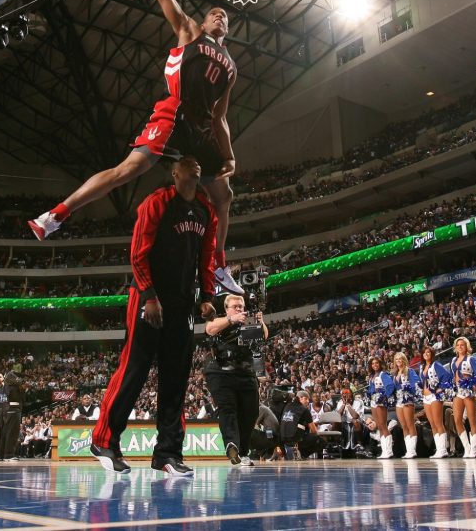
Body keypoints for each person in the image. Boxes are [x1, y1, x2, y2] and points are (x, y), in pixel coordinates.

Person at [29, 0, 243, 296]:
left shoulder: (232, 68)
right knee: (126, 171)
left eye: (226, 17)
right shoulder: (190, 32)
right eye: (215, 13)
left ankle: (218, 266)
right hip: (173, 112)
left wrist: (229, 153)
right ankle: (54, 216)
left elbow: (220, 117)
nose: (220, 17)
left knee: (224, 196)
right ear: (205, 21)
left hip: (200, 129)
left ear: (228, 30)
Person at [90, 155, 218, 477]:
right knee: (135, 369)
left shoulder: (206, 208)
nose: (195, 165)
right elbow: (137, 253)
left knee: (176, 379)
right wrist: (149, 296)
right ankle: (104, 440)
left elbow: (207, 257)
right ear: (175, 172)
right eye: (187, 163)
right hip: (149, 299)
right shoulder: (157, 202)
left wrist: (206, 295)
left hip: (182, 303)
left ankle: (168, 453)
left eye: (196, 162)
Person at [204, 293, 268, 467]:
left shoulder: (249, 320)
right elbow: (209, 329)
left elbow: (264, 337)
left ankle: (242, 452)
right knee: (228, 408)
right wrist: (232, 319)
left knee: (251, 411)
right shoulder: (219, 320)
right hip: (220, 372)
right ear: (226, 309)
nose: (240, 309)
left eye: (241, 306)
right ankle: (231, 445)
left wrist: (260, 321)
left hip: (245, 372)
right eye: (235, 306)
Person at [450, 336, 476, 459]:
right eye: (458, 345)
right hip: (457, 392)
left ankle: (473, 449)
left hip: (468, 392)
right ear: (455, 347)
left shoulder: (471, 359)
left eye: (462, 345)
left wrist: (473, 383)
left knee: (472, 420)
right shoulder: (453, 360)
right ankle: (466, 448)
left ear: (467, 346)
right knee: (457, 421)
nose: (460, 347)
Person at [420, 346, 452, 459]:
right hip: (425, 397)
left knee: (438, 423)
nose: (426, 354)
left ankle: (443, 450)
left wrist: (441, 388)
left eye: (428, 352)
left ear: (432, 354)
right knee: (432, 423)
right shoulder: (422, 366)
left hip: (435, 396)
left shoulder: (436, 365)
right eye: (424, 352)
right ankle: (439, 450)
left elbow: (447, 376)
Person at [392, 352, 421, 459]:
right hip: (399, 401)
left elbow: (416, 383)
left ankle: (412, 451)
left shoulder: (410, 371)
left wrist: (410, 389)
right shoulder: (395, 373)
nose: (398, 361)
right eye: (396, 359)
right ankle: (408, 450)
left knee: (410, 425)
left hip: (407, 399)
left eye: (400, 359)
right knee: (403, 426)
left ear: (404, 360)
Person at [365, 356, 396, 459]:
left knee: (383, 425)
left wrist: (384, 396)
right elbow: (371, 389)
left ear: (380, 364)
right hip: (373, 401)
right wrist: (368, 394)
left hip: (380, 401)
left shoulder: (384, 374)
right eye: (373, 364)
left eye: (376, 363)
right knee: (379, 425)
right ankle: (385, 451)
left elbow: (390, 386)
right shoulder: (372, 376)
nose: (375, 365)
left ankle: (389, 451)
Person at [279, 391, 319, 459]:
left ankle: (289, 453)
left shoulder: (287, 406)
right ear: (300, 398)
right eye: (306, 398)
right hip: (293, 438)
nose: (308, 401)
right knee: (320, 441)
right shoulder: (304, 410)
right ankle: (302, 454)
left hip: (281, 438)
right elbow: (314, 431)